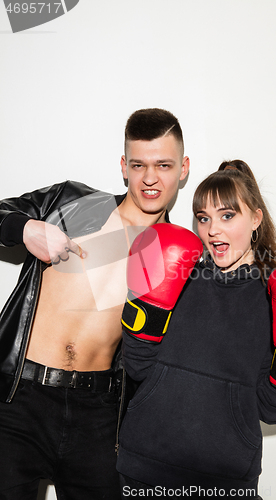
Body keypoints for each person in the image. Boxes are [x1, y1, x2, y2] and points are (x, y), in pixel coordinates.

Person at [0, 108, 190, 500]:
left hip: (99, 412)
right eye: (138, 165)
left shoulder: (178, 254)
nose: (150, 178)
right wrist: (25, 228)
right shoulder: (73, 203)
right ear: (123, 166)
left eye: (163, 165)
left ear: (183, 168)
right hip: (20, 398)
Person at [116, 162, 276, 498]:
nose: (212, 229)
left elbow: (274, 409)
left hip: (225, 481)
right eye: (204, 218)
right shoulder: (178, 277)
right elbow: (139, 366)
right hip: (144, 470)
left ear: (256, 219)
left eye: (227, 216)